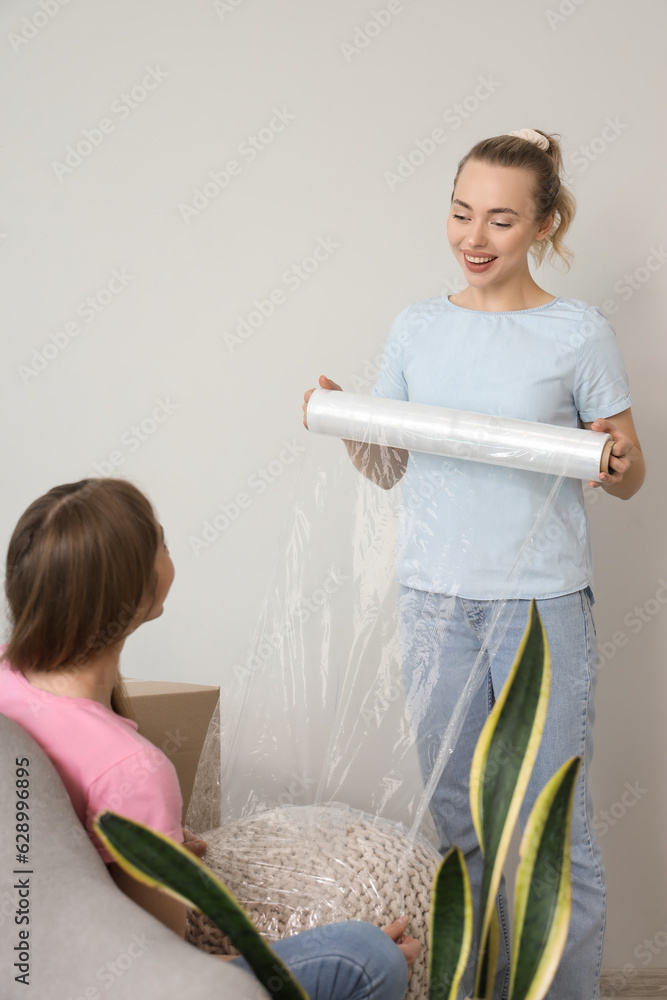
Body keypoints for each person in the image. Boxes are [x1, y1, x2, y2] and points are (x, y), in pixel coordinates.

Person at [303, 128, 645, 1000]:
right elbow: (391, 468)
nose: (475, 237)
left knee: (547, 827)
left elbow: (631, 472)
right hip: (432, 607)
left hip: (540, 613)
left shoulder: (578, 333)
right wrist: (351, 424)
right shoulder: (416, 328)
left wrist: (608, 462)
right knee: (459, 821)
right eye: (461, 213)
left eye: (499, 219)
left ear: (543, 223)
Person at [0, 477, 420, 1000]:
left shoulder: (7, 681)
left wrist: (162, 842)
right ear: (134, 593)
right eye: (162, 541)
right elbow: (160, 963)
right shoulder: (132, 769)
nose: (169, 549)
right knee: (370, 956)